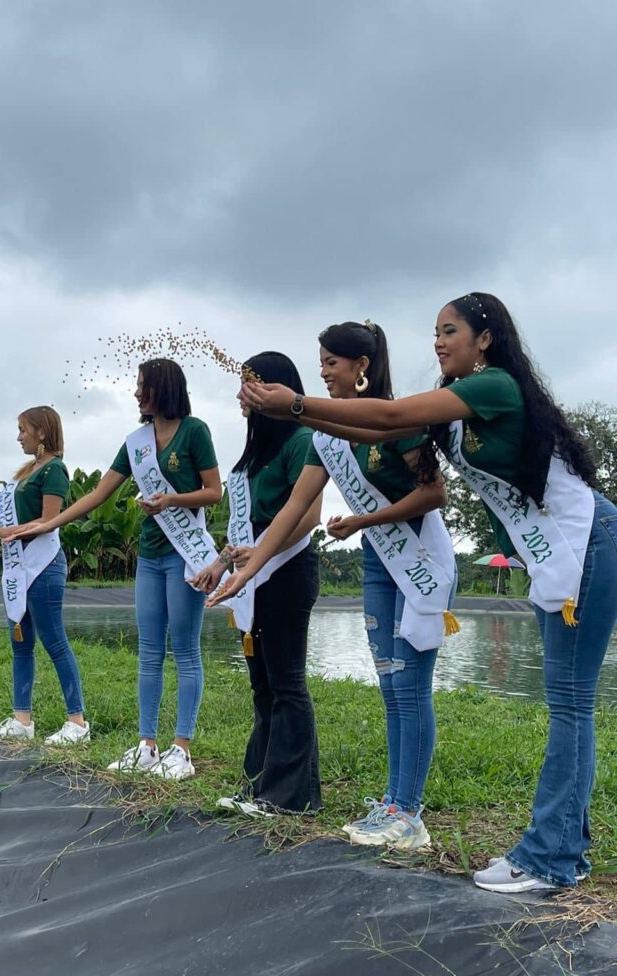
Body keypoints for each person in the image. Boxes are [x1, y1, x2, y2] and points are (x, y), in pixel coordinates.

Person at [239, 293, 617, 893]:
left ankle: (553, 857)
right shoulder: (457, 406)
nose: (438, 342)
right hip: (565, 559)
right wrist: (301, 416)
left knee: (570, 704)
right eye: (434, 333)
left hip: (583, 547)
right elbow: (367, 422)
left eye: (450, 331)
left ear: (485, 339)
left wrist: (297, 403)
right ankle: (561, 846)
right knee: (566, 703)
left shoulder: (493, 387)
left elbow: (388, 419)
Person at [208, 322, 456, 849]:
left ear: (360, 368)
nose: (323, 372)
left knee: (410, 689)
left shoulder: (396, 420)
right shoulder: (327, 435)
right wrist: (246, 570)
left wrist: (364, 522)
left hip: (416, 561)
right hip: (375, 564)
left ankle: (408, 813)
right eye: (319, 363)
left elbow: (435, 494)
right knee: (390, 687)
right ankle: (393, 802)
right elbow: (296, 506)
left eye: (331, 364)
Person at [13, 359, 222, 779]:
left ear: (163, 388)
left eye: (143, 385)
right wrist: (52, 522)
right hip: (149, 553)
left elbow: (213, 492)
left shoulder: (194, 431)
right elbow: (100, 491)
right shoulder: (137, 441)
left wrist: (170, 501)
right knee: (148, 650)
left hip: (184, 553)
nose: (136, 393)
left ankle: (181, 750)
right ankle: (147, 745)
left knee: (184, 649)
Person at [191, 352, 323, 816]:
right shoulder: (254, 452)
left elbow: (308, 516)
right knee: (262, 685)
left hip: (286, 572)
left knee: (286, 682)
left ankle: (291, 798)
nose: (241, 395)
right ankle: (259, 785)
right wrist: (221, 562)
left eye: (250, 384)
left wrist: (255, 558)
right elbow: (244, 528)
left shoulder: (302, 440)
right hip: (253, 577)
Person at [0, 406, 89, 745]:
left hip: (44, 566)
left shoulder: (54, 470)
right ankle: (22, 719)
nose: (18, 436)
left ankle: (77, 722)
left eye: (23, 429)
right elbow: (19, 525)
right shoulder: (27, 471)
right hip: (19, 568)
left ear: (41, 431)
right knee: (20, 643)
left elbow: (45, 523)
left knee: (54, 641)